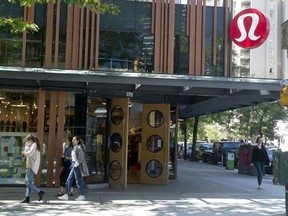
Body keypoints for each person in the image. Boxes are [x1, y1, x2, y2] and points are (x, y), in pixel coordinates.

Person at [58, 136, 89, 201]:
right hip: (74, 165)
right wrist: (73, 165)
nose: (73, 140)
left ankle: (81, 195)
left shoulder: (78, 147)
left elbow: (81, 157)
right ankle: (66, 194)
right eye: (72, 139)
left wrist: (76, 164)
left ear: (77, 141)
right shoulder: (74, 147)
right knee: (69, 180)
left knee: (78, 181)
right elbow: (74, 158)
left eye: (74, 140)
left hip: (76, 166)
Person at [20, 134, 45, 203]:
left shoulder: (34, 145)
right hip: (30, 165)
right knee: (29, 182)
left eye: (27, 141)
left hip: (31, 166)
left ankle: (39, 192)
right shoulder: (32, 145)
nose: (26, 143)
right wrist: (26, 148)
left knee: (27, 182)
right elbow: (27, 154)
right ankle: (27, 198)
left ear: (30, 140)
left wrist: (26, 150)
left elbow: (29, 154)